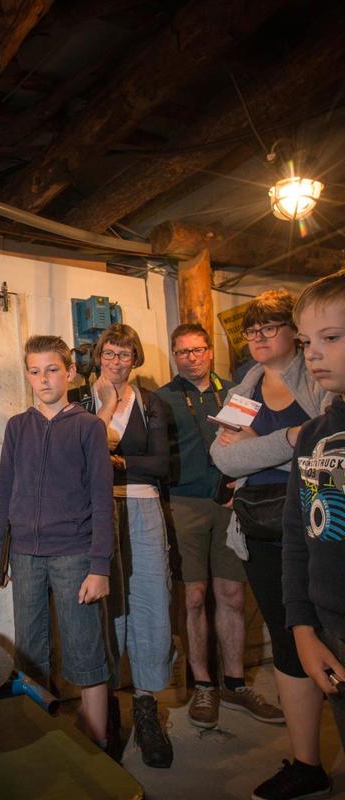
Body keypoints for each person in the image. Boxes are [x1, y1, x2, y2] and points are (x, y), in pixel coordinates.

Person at [210, 289, 332, 800]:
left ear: (294, 332)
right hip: (261, 530)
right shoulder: (246, 389)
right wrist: (288, 441)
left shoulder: (322, 380)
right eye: (250, 330)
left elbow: (329, 446)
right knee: (288, 640)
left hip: (320, 524)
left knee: (333, 632)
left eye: (269, 326)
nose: (258, 337)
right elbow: (223, 459)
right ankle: (307, 764)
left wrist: (255, 452)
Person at [0, 335, 113, 747]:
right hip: (24, 555)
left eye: (53, 369)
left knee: (85, 650)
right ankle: (41, 741)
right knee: (29, 653)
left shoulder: (89, 427)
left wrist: (99, 566)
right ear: (27, 375)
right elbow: (4, 490)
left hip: (75, 556)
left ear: (70, 372)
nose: (43, 379)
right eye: (35, 371)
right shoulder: (17, 427)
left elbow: (100, 498)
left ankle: (97, 745)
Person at [157, 323, 282, 729]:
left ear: (209, 351)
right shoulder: (161, 398)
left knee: (230, 593)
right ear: (174, 356)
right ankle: (204, 686)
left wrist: (237, 486)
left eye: (197, 349)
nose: (190, 357)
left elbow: (248, 444)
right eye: (182, 352)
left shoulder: (237, 392)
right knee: (192, 596)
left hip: (230, 502)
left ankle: (235, 683)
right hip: (184, 505)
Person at [90, 323, 173, 769]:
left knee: (149, 602)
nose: (116, 361)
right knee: (106, 607)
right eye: (109, 353)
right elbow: (80, 458)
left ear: (135, 359)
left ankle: (146, 709)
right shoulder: (84, 404)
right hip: (98, 512)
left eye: (124, 355)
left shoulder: (152, 404)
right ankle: (110, 714)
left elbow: (159, 464)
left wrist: (117, 460)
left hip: (142, 507)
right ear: (98, 356)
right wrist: (104, 409)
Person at [283, 271, 345, 796]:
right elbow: (298, 537)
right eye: (305, 342)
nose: (312, 353)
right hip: (332, 630)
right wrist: (304, 629)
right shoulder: (315, 435)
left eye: (332, 337)